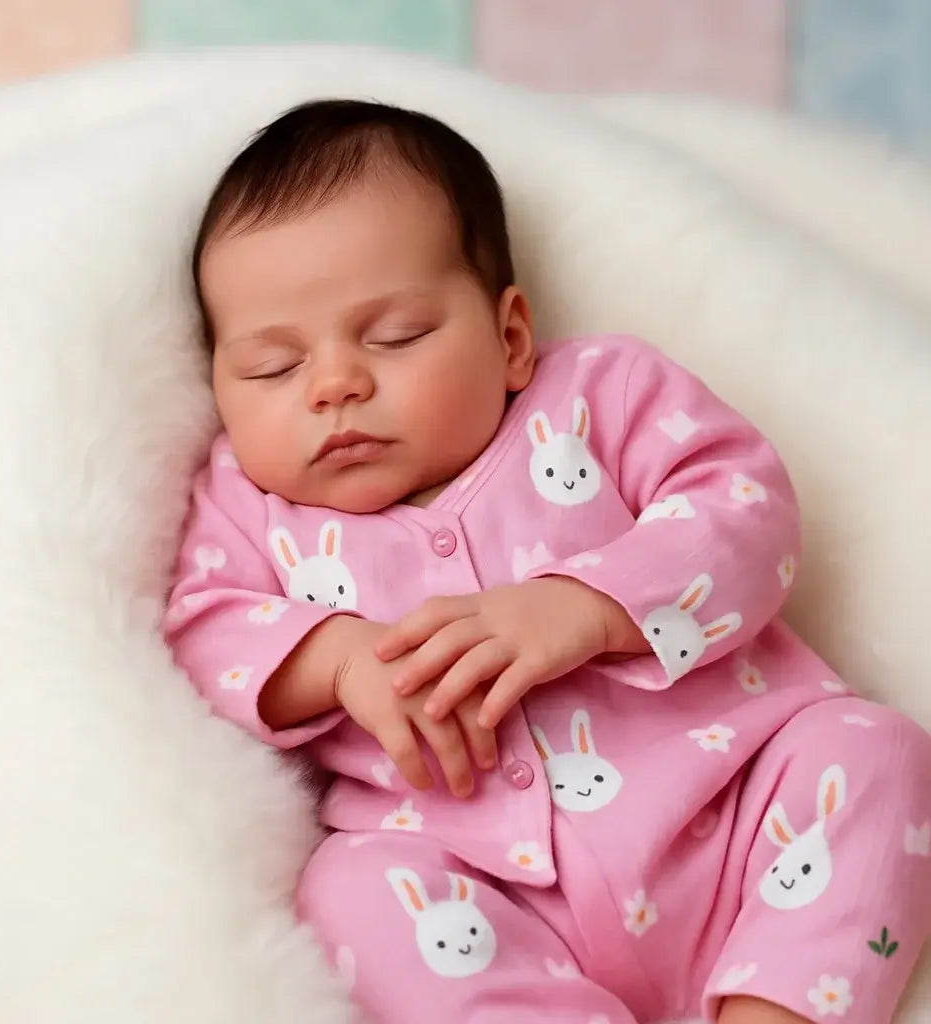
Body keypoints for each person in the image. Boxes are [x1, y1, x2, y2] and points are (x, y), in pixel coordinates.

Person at [163, 99, 931, 1024]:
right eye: (272, 369)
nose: (334, 385)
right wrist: (337, 658)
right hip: (482, 885)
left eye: (395, 335)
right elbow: (204, 626)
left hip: (726, 819)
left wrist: (587, 603)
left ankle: (779, 1007)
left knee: (874, 752)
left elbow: (746, 507)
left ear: (511, 336)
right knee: (349, 894)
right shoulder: (250, 506)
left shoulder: (602, 396)